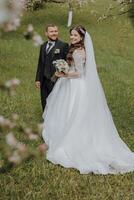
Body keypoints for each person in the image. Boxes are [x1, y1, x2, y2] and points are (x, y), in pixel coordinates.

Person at [42, 25, 134, 174]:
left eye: (75, 36)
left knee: (74, 112)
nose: (72, 38)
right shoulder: (75, 49)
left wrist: (64, 74)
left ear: (82, 38)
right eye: (71, 35)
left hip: (76, 85)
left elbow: (79, 73)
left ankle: (72, 139)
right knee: (66, 111)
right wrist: (64, 68)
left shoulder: (79, 52)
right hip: (70, 84)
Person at [35, 24, 69, 110]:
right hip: (44, 79)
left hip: (56, 79)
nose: (54, 33)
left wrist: (62, 73)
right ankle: (45, 119)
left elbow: (68, 63)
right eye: (51, 31)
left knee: (56, 100)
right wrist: (38, 79)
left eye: (55, 31)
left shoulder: (63, 45)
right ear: (46, 33)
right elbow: (40, 63)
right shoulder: (43, 46)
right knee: (44, 100)